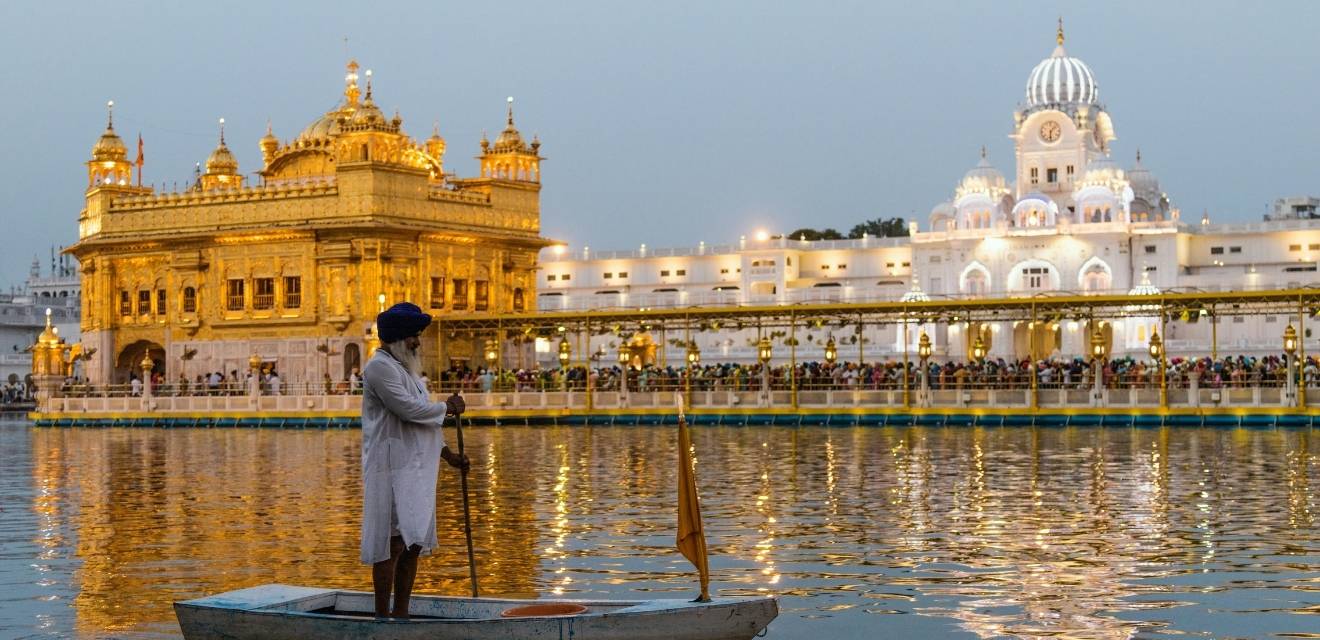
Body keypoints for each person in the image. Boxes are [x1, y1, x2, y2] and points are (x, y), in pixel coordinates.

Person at [361, 302, 468, 619]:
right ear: (397, 339)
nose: (418, 343)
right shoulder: (379, 368)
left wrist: (449, 456)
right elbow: (408, 410)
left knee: (413, 543)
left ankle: (402, 614)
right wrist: (447, 408)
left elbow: (423, 423)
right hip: (390, 466)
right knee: (391, 543)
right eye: (413, 337)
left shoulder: (408, 373)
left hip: (415, 469)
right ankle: (382, 617)